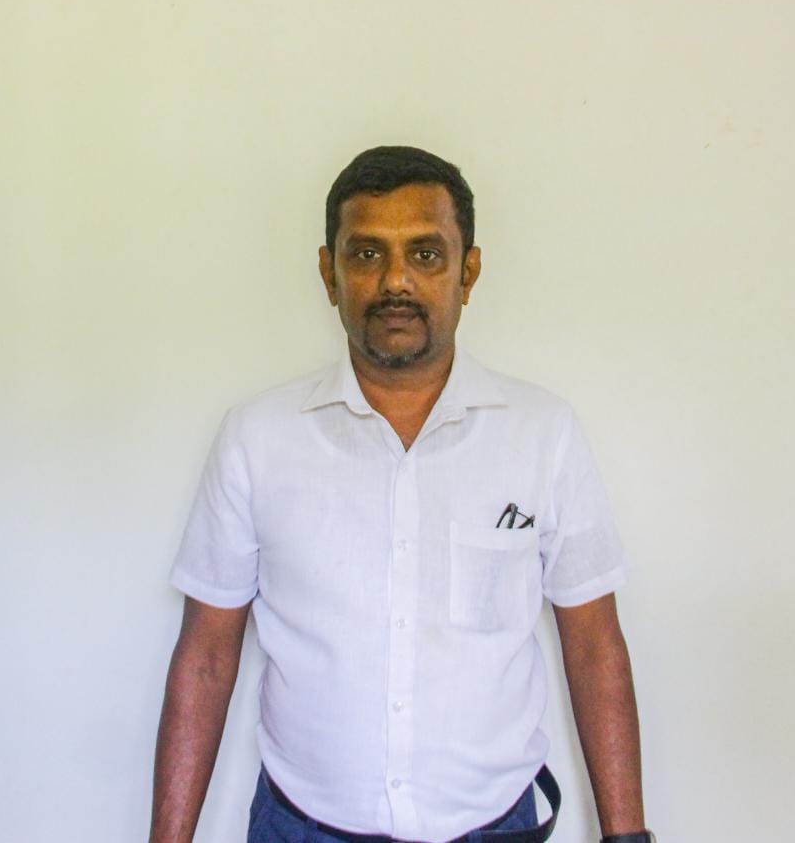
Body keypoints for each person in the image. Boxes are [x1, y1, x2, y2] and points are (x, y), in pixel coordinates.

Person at [150, 146, 653, 843]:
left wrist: (627, 837)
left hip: (494, 826)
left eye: (425, 254)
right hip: (300, 827)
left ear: (468, 272)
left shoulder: (544, 434)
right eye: (366, 254)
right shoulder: (256, 439)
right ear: (328, 273)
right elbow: (206, 655)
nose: (395, 281)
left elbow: (595, 646)